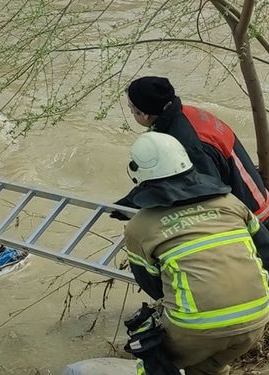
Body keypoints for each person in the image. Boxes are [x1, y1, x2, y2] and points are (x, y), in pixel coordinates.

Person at [123, 132, 269, 375]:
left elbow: (153, 285)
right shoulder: (231, 203)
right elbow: (265, 250)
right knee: (205, 366)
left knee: (150, 359)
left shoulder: (139, 226)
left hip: (195, 328)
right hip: (256, 317)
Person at [114, 76, 269, 229]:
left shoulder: (189, 145)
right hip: (254, 198)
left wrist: (137, 203)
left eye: (131, 109)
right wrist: (133, 199)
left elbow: (202, 192)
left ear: (145, 114)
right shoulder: (187, 113)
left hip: (252, 219)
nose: (131, 113)